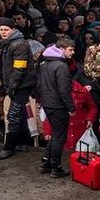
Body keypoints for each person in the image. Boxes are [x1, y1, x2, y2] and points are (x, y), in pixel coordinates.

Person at [0, 17, 38, 160]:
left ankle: (9, 148)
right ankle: (22, 142)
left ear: (13, 29)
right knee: (19, 113)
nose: (3, 32)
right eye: (1, 29)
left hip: (20, 85)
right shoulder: (10, 43)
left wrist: (11, 87)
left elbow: (19, 68)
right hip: (18, 84)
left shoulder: (18, 44)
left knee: (13, 115)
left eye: (6, 29)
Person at [38, 39, 75, 178]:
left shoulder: (44, 63)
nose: (73, 53)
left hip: (47, 103)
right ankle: (56, 167)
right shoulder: (61, 66)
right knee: (59, 136)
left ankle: (46, 162)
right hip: (58, 105)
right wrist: (71, 107)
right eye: (70, 50)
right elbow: (64, 90)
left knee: (55, 134)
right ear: (62, 49)